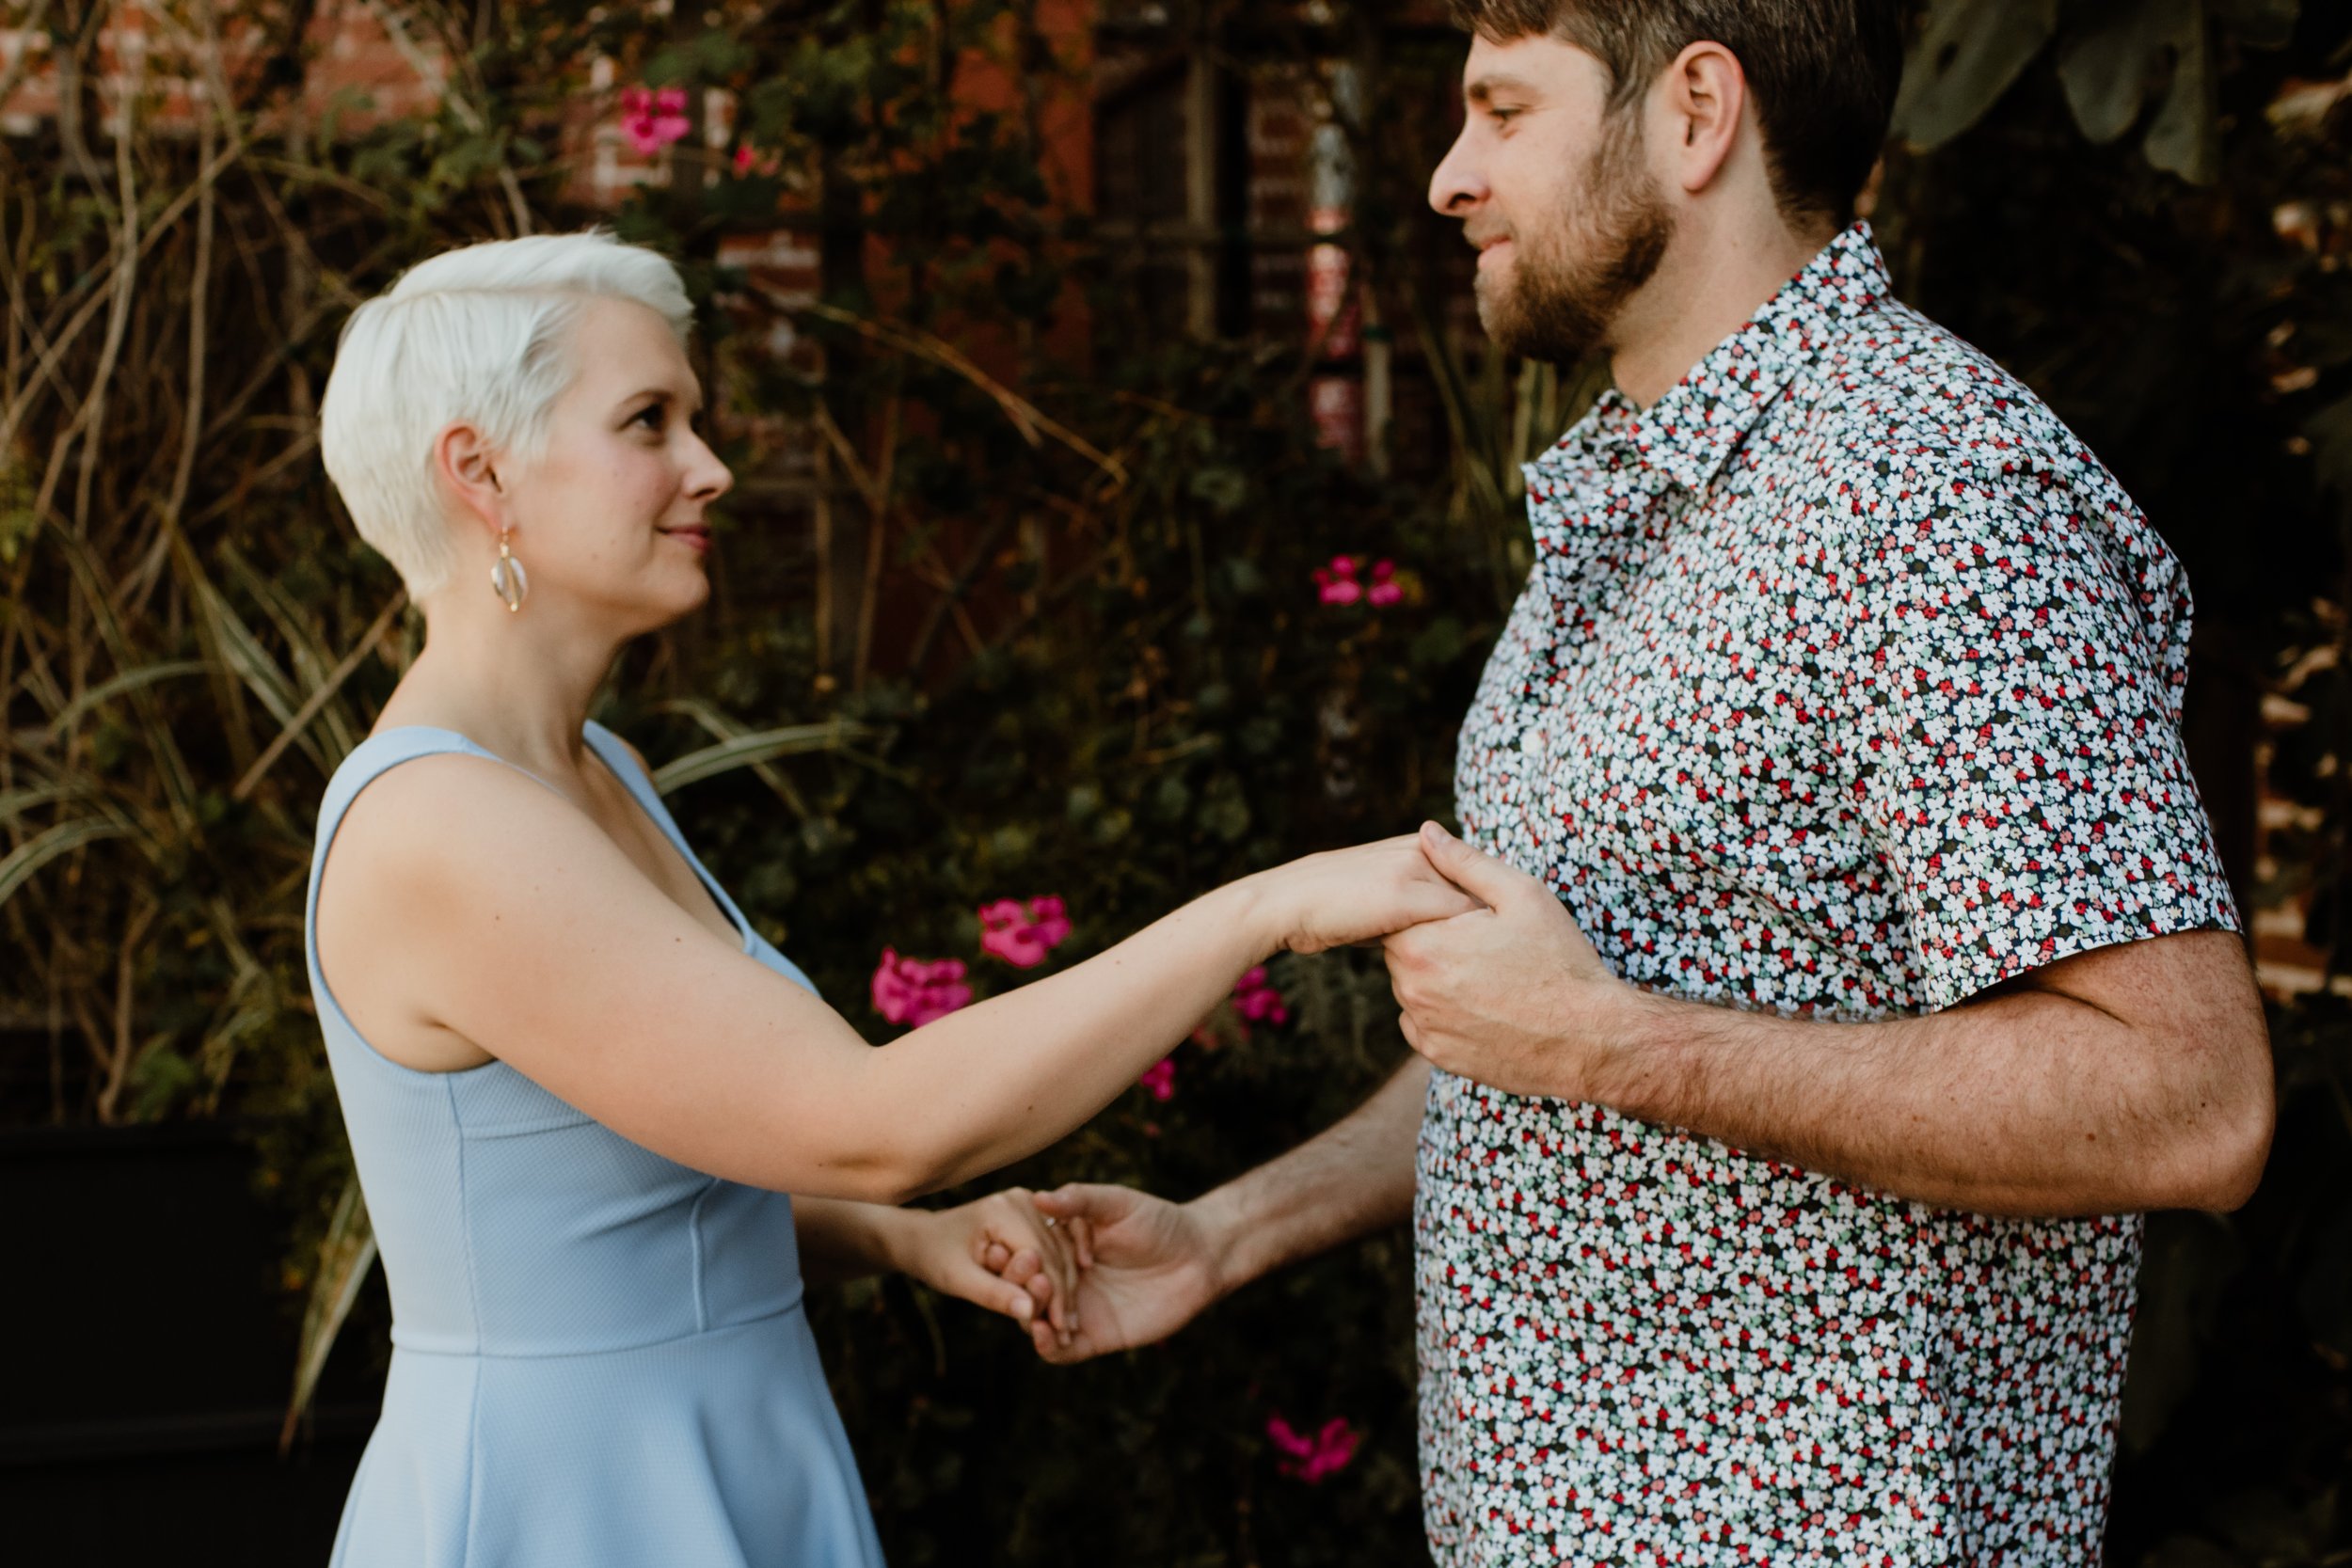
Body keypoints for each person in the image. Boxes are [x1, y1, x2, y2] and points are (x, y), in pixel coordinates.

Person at [1017, 4, 2277, 1564]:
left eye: (1501, 110)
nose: (1445, 178)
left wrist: (1613, 1040)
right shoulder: (1643, 498)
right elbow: (1533, 1031)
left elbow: (2190, 1099)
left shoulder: (1933, 504)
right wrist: (1228, 1232)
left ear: (1694, 115)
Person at [304, 230, 1476, 1568]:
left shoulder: (594, 769)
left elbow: (625, 1192)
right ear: (481, 472)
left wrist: (903, 1244)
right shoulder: (441, 828)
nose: (712, 467)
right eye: (651, 421)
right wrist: (1264, 908)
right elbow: (864, 1122)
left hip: (731, 1443)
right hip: (572, 1499)